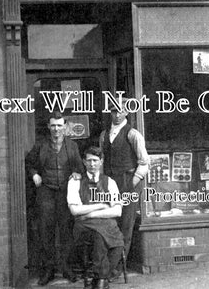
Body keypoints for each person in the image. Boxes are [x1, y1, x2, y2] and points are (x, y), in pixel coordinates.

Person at [25, 111, 85, 286]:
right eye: (53, 125)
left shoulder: (72, 146)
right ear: (48, 127)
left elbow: (80, 167)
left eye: (59, 125)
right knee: (46, 232)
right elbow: (29, 163)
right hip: (46, 192)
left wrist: (76, 173)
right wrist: (34, 174)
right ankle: (49, 270)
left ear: (65, 127)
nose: (56, 129)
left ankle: (66, 268)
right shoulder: (41, 145)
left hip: (65, 193)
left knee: (66, 231)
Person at [99, 99, 149, 280]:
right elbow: (102, 161)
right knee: (109, 225)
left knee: (126, 228)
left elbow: (144, 163)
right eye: (113, 111)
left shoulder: (133, 134)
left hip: (128, 183)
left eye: (121, 111)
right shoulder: (104, 135)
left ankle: (117, 269)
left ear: (127, 112)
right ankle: (107, 266)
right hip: (110, 185)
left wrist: (131, 184)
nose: (117, 114)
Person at [67, 146, 124, 289]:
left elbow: (117, 210)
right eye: (89, 160)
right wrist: (101, 205)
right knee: (99, 236)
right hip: (83, 225)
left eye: (95, 160)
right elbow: (75, 210)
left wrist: (92, 214)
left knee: (117, 243)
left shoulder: (109, 182)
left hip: (102, 221)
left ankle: (99, 278)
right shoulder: (75, 181)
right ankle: (102, 280)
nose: (92, 164)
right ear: (84, 162)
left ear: (101, 162)